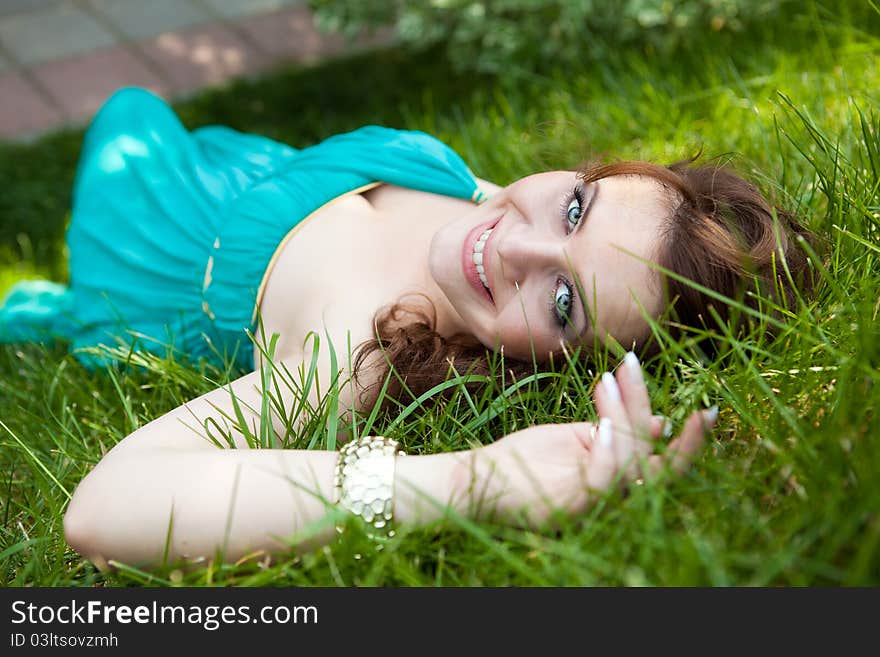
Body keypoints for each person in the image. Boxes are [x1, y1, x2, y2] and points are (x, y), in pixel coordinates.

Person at [0, 87, 812, 569]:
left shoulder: (354, 353)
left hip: (157, 236)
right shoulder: (494, 215)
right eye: (575, 206)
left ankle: (73, 306)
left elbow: (104, 507)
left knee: (128, 107)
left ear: (561, 363)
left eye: (564, 302)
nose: (513, 245)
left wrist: (469, 481)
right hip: (246, 168)